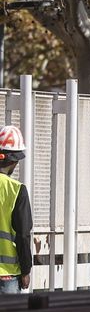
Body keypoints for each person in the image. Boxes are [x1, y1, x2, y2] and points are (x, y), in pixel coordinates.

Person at [0, 126, 33, 294]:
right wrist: (26, 270)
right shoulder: (16, 190)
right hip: (7, 276)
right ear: (14, 161)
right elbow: (23, 235)